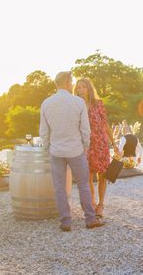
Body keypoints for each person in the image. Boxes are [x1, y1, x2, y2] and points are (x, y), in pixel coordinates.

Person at [39, 71, 105, 232]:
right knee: (83, 184)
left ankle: (66, 222)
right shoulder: (78, 102)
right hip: (76, 150)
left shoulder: (46, 103)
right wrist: (85, 146)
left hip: (56, 151)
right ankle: (90, 219)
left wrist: (49, 148)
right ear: (68, 82)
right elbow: (85, 129)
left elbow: (43, 131)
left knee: (60, 187)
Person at [74, 77, 114, 218]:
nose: (81, 90)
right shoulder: (76, 106)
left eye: (83, 87)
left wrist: (114, 144)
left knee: (102, 175)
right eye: (78, 87)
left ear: (89, 88)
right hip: (85, 145)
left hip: (101, 143)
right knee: (88, 176)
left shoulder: (98, 104)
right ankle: (92, 204)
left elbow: (105, 125)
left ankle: (101, 204)